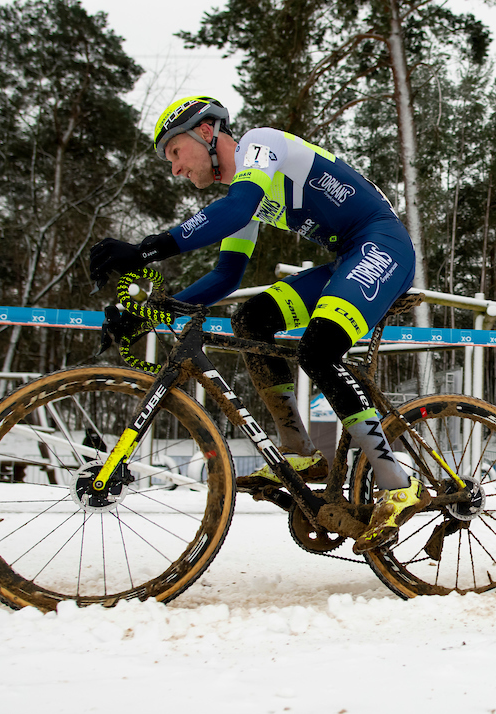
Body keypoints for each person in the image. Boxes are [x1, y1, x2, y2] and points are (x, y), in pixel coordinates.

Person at [89, 96, 428, 553]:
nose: (174, 169)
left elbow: (232, 212)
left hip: (382, 244)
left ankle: (397, 483)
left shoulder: (260, 144)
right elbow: (225, 276)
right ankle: (300, 453)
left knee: (318, 350)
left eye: (174, 152)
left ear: (206, 132)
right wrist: (145, 316)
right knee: (251, 319)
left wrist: (146, 249)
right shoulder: (246, 194)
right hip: (349, 255)